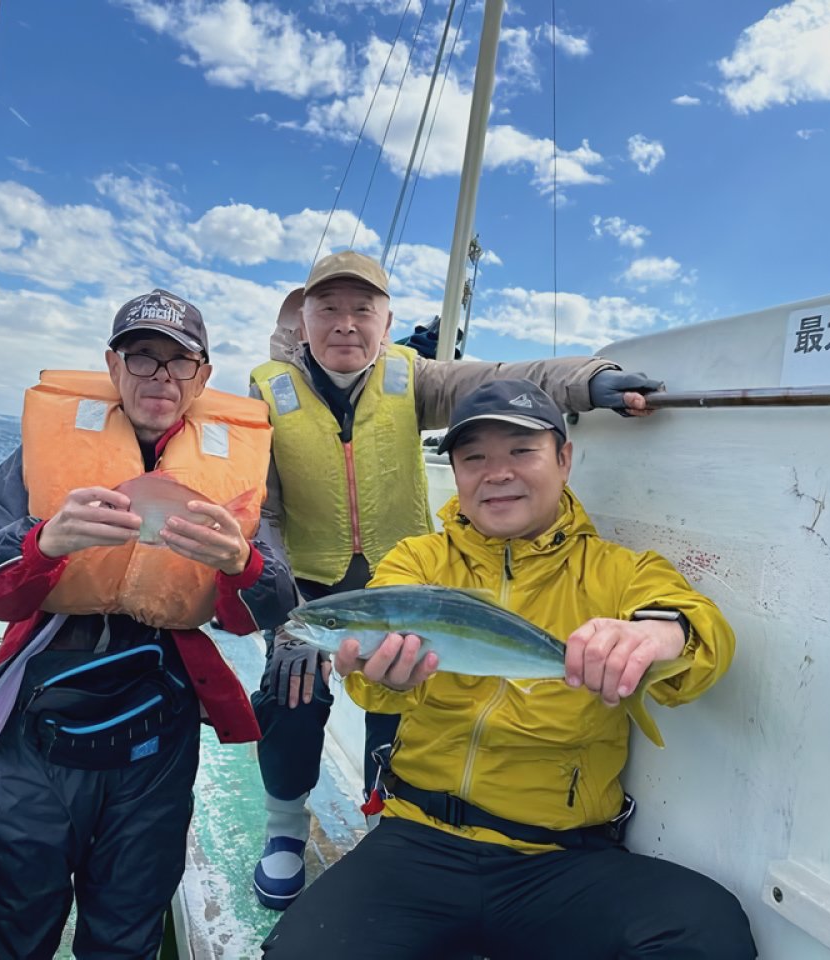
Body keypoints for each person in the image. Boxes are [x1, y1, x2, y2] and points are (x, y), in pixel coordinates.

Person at [259, 378, 756, 959]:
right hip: (417, 842)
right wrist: (377, 675)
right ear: (458, 474)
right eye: (474, 458)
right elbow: (379, 670)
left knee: (705, 928)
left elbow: (702, 631)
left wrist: (658, 633)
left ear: (564, 459)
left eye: (521, 452)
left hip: (559, 861)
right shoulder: (419, 560)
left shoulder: (621, 572)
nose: (497, 473)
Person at [247, 250, 665, 910]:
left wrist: (588, 383)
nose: (346, 324)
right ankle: (284, 828)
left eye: (364, 310)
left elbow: (503, 378)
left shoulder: (412, 379)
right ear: (303, 320)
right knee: (290, 692)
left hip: (407, 579)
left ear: (385, 323)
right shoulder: (268, 391)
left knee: (402, 689)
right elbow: (258, 505)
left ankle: (387, 815)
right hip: (306, 584)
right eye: (329, 308)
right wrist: (282, 606)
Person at [0, 289, 297, 960]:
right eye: (141, 357)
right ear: (112, 365)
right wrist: (43, 544)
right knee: (17, 907)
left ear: (203, 377)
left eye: (179, 361)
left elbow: (267, 610)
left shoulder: (241, 472)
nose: (159, 376)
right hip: (43, 707)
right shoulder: (39, 461)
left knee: (129, 915)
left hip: (161, 716)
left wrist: (240, 563)